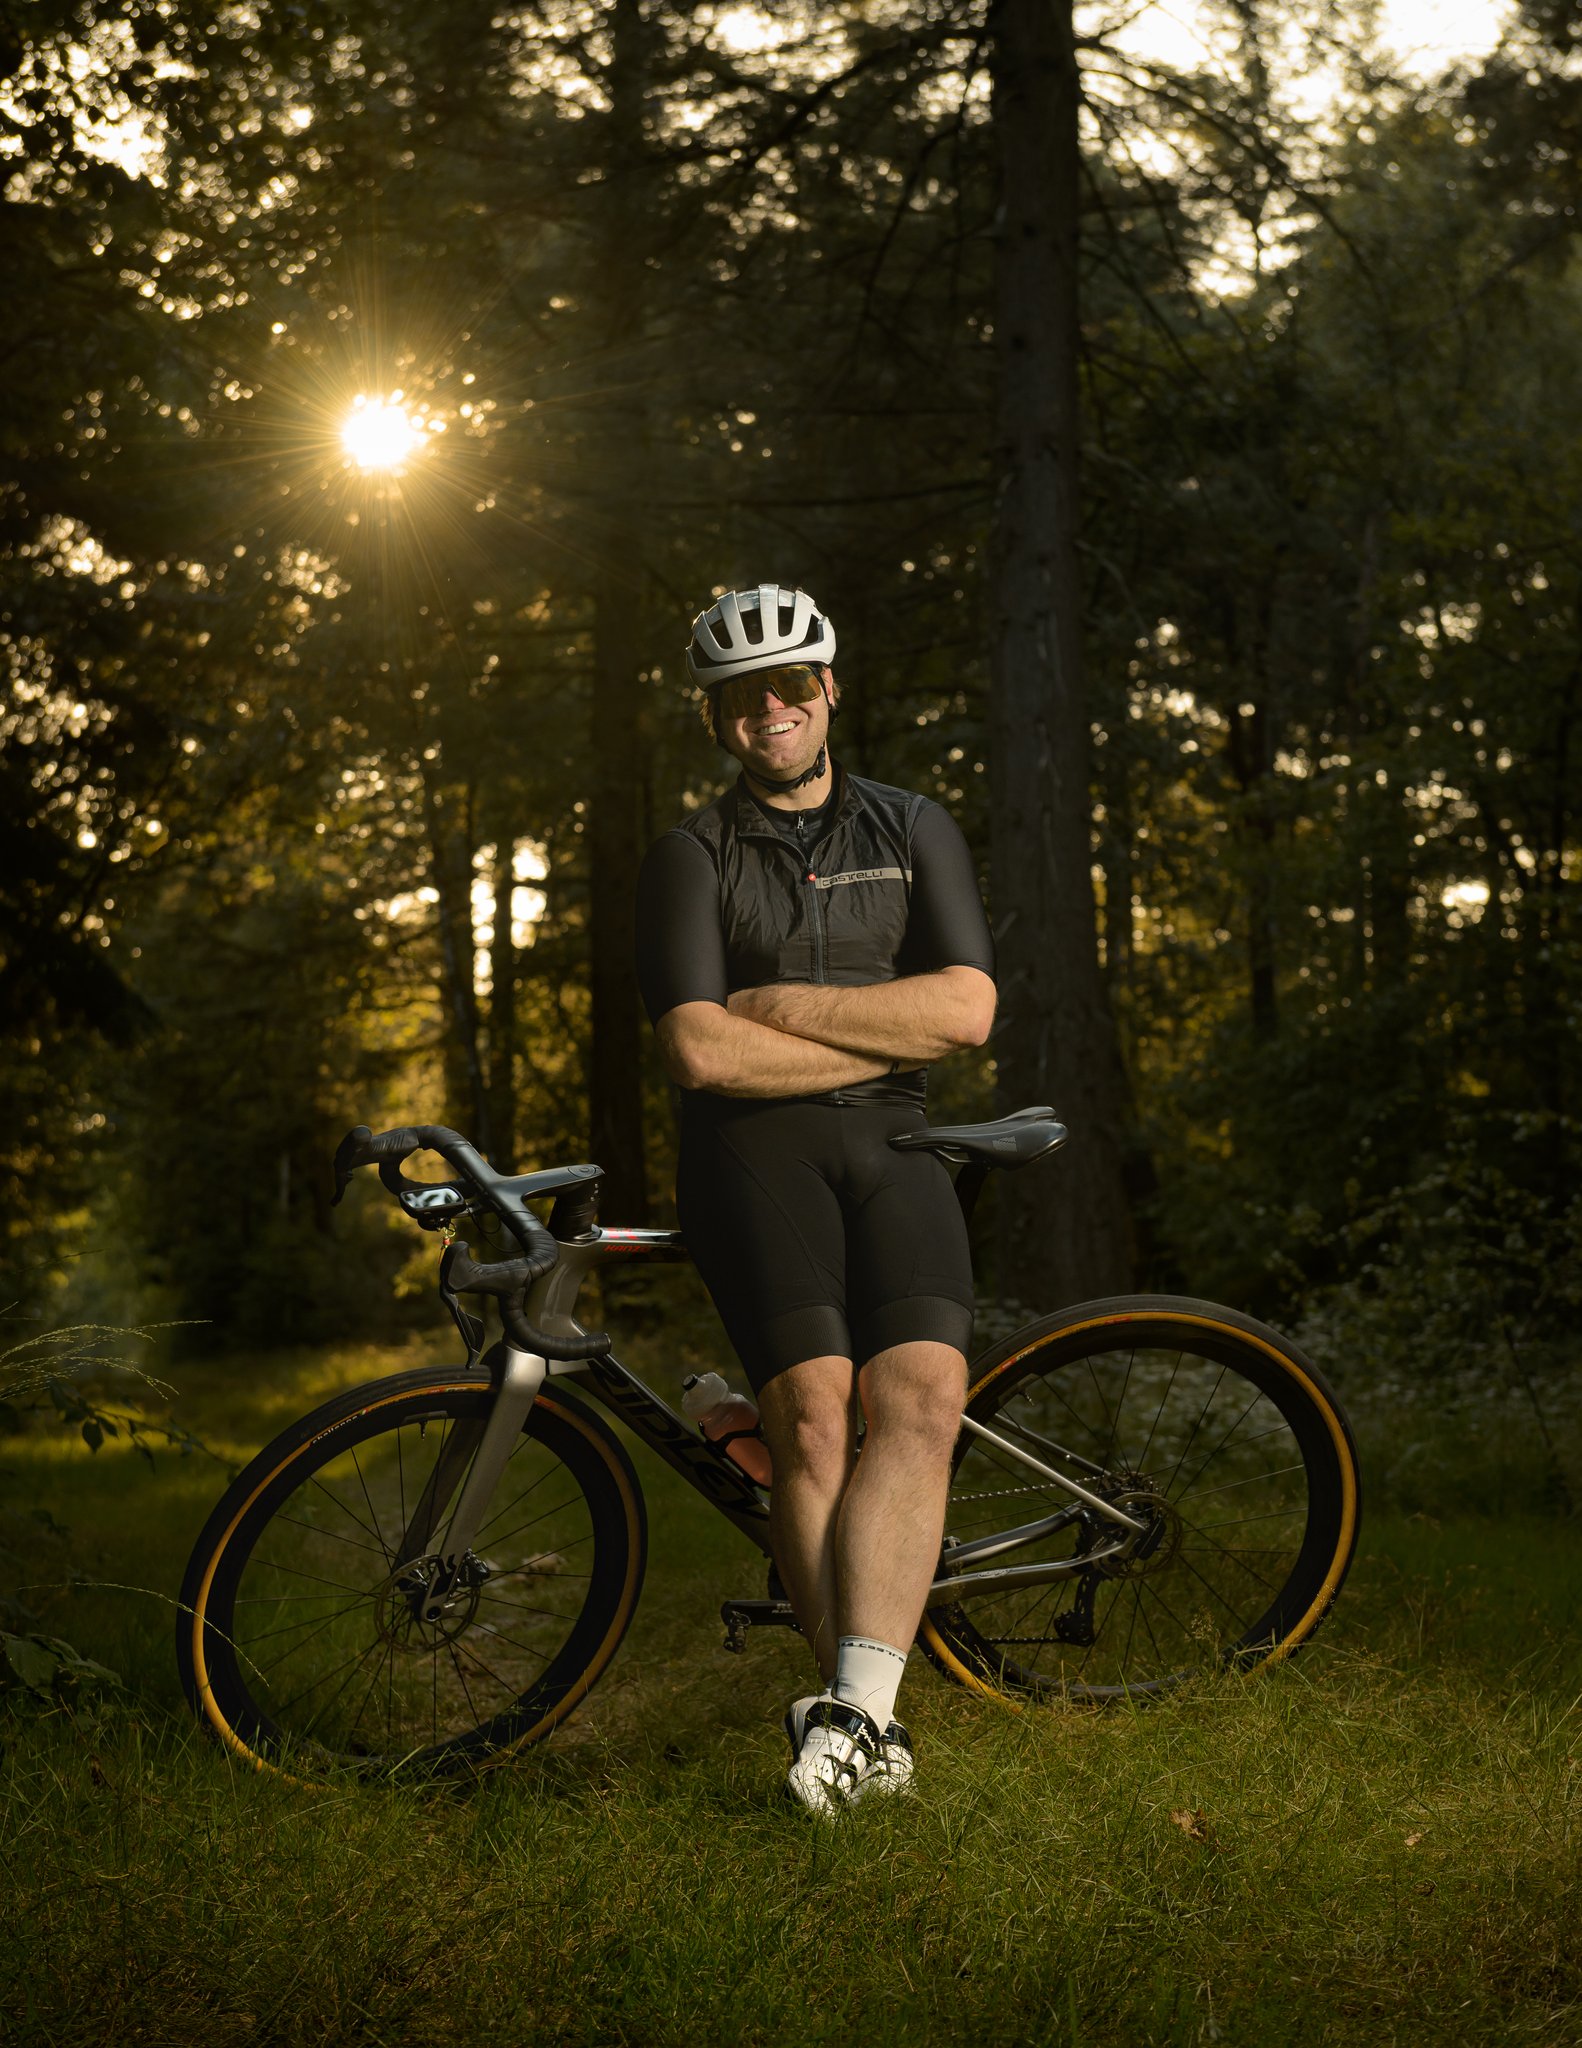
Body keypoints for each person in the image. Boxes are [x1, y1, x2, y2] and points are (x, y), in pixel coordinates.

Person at [635, 583, 997, 1815]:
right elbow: (698, 1054)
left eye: (792, 684)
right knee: (815, 1419)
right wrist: (879, 1040)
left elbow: (964, 1010)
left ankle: (852, 1719)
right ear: (717, 718)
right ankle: (862, 1723)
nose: (772, 710)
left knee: (925, 1393)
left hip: (897, 1141)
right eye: (745, 696)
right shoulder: (691, 854)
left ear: (830, 689)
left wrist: (779, 1008)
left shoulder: (911, 825)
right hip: (750, 1151)